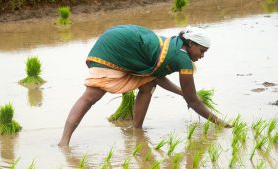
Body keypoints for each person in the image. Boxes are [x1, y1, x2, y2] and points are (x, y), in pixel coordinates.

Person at [58, 24, 231, 146]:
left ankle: (137, 130)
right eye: (202, 51)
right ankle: (64, 142)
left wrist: (184, 95)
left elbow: (156, 78)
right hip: (116, 47)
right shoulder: (182, 59)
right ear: (191, 44)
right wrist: (221, 123)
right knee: (91, 96)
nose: (202, 56)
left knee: (147, 86)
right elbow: (193, 101)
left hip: (121, 39)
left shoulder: (175, 45)